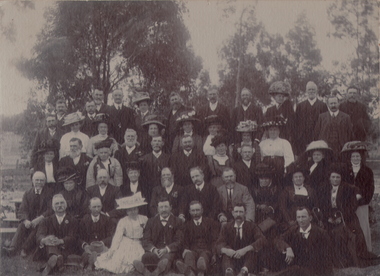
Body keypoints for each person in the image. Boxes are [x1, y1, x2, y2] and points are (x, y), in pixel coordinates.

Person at [318, 164, 377, 268]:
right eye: (333, 177)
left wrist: (342, 217)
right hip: (330, 217)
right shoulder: (324, 188)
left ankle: (354, 258)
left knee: (353, 234)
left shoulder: (348, 188)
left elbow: (352, 205)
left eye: (338, 177)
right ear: (329, 178)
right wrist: (328, 217)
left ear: (341, 178)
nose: (335, 179)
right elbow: (323, 205)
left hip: (347, 216)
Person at [3, 172, 54, 257]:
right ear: (33, 181)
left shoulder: (49, 193)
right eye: (36, 180)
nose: (39, 182)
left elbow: (50, 209)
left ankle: (25, 249)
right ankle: (12, 249)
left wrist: (40, 218)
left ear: (44, 182)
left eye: (41, 180)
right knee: (21, 226)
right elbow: (22, 209)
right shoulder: (27, 193)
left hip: (43, 221)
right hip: (30, 220)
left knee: (37, 228)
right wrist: (26, 220)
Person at [95, 193, 148, 274]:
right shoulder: (123, 221)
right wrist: (113, 250)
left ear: (138, 209)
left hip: (139, 243)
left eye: (134, 209)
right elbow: (117, 237)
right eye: (130, 210)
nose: (132, 212)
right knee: (121, 259)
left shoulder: (144, 219)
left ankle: (137, 265)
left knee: (137, 257)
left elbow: (148, 232)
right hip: (127, 242)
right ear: (126, 211)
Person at [273, 207, 333, 276]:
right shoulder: (293, 230)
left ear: (310, 218)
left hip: (315, 270)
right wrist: (287, 248)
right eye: (298, 217)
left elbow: (327, 259)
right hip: (297, 269)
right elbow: (277, 240)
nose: (301, 220)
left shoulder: (321, 233)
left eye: (303, 217)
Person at [134, 197, 183, 276]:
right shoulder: (151, 221)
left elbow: (179, 241)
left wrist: (166, 249)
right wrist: (154, 250)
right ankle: (153, 271)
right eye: (161, 207)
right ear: (157, 209)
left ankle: (148, 272)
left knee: (166, 259)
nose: (163, 210)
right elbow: (146, 240)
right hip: (155, 250)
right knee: (146, 257)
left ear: (171, 207)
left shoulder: (177, 221)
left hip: (170, 251)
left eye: (166, 207)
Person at [216, 203, 267, 276]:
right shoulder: (226, 227)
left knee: (252, 252)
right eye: (236, 212)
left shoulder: (251, 226)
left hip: (247, 259)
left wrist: (245, 249)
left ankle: (243, 272)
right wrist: (227, 250)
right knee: (225, 255)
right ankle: (229, 271)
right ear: (232, 213)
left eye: (241, 212)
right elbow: (219, 243)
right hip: (232, 258)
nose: (238, 214)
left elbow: (262, 239)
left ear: (245, 213)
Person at [341, 141, 375, 252]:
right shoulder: (346, 171)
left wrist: (363, 199)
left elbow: (370, 188)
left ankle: (365, 250)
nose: (355, 158)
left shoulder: (367, 171)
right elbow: (343, 187)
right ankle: (352, 252)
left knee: (362, 225)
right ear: (350, 158)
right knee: (350, 225)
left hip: (362, 203)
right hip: (348, 203)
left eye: (357, 156)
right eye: (353, 156)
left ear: (361, 158)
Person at [35, 194, 78, 276]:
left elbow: (73, 237)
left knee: (55, 246)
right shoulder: (46, 220)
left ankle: (50, 264)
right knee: (51, 241)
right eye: (57, 204)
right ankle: (57, 260)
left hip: (65, 248)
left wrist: (61, 241)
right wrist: (45, 240)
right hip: (48, 248)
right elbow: (39, 235)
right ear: (53, 207)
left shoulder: (73, 220)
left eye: (62, 203)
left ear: (65, 205)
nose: (59, 205)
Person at [176, 201, 219, 276]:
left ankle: (192, 270)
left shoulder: (210, 223)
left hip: (206, 250)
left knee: (203, 258)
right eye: (193, 210)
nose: (195, 213)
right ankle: (193, 272)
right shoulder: (187, 225)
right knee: (189, 255)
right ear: (189, 212)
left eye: (197, 210)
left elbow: (214, 240)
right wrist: (185, 250)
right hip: (193, 250)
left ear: (202, 210)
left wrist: (214, 253)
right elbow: (184, 241)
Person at [78, 197, 115, 271]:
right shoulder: (84, 220)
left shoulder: (107, 220)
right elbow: (79, 237)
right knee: (88, 252)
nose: (97, 209)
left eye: (99, 206)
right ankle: (89, 259)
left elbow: (111, 236)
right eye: (94, 207)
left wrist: (102, 243)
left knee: (104, 254)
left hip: (102, 247)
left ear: (102, 206)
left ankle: (88, 263)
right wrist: (85, 245)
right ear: (89, 207)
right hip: (89, 246)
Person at [294, 82, 328, 155]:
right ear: (306, 91)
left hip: (318, 137)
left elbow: (325, 123)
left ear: (316, 91)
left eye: (313, 89)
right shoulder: (300, 106)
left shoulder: (323, 105)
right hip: (303, 139)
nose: (311, 91)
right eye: (309, 89)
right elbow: (296, 123)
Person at [259, 116, 294, 181]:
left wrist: (286, 170)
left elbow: (289, 158)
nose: (273, 132)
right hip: (266, 166)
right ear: (268, 131)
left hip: (279, 166)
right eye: (271, 130)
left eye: (275, 130)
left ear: (279, 131)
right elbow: (260, 157)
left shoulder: (284, 142)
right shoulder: (262, 143)